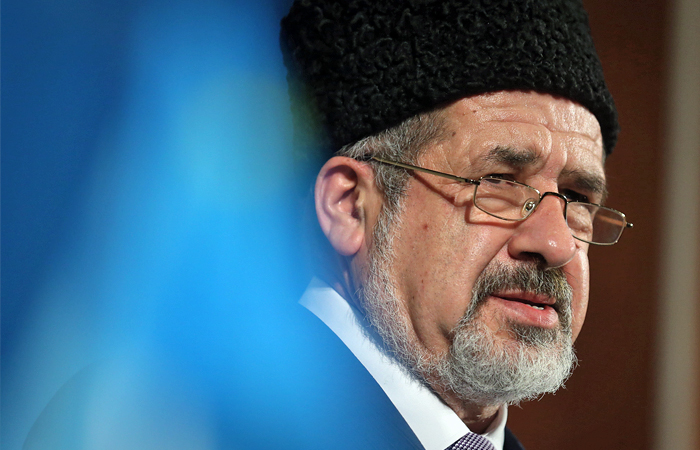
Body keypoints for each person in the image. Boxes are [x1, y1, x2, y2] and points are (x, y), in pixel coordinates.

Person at [278, 0, 633, 449]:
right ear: (350, 206)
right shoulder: (219, 421)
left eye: (578, 198)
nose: (557, 243)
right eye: (499, 181)